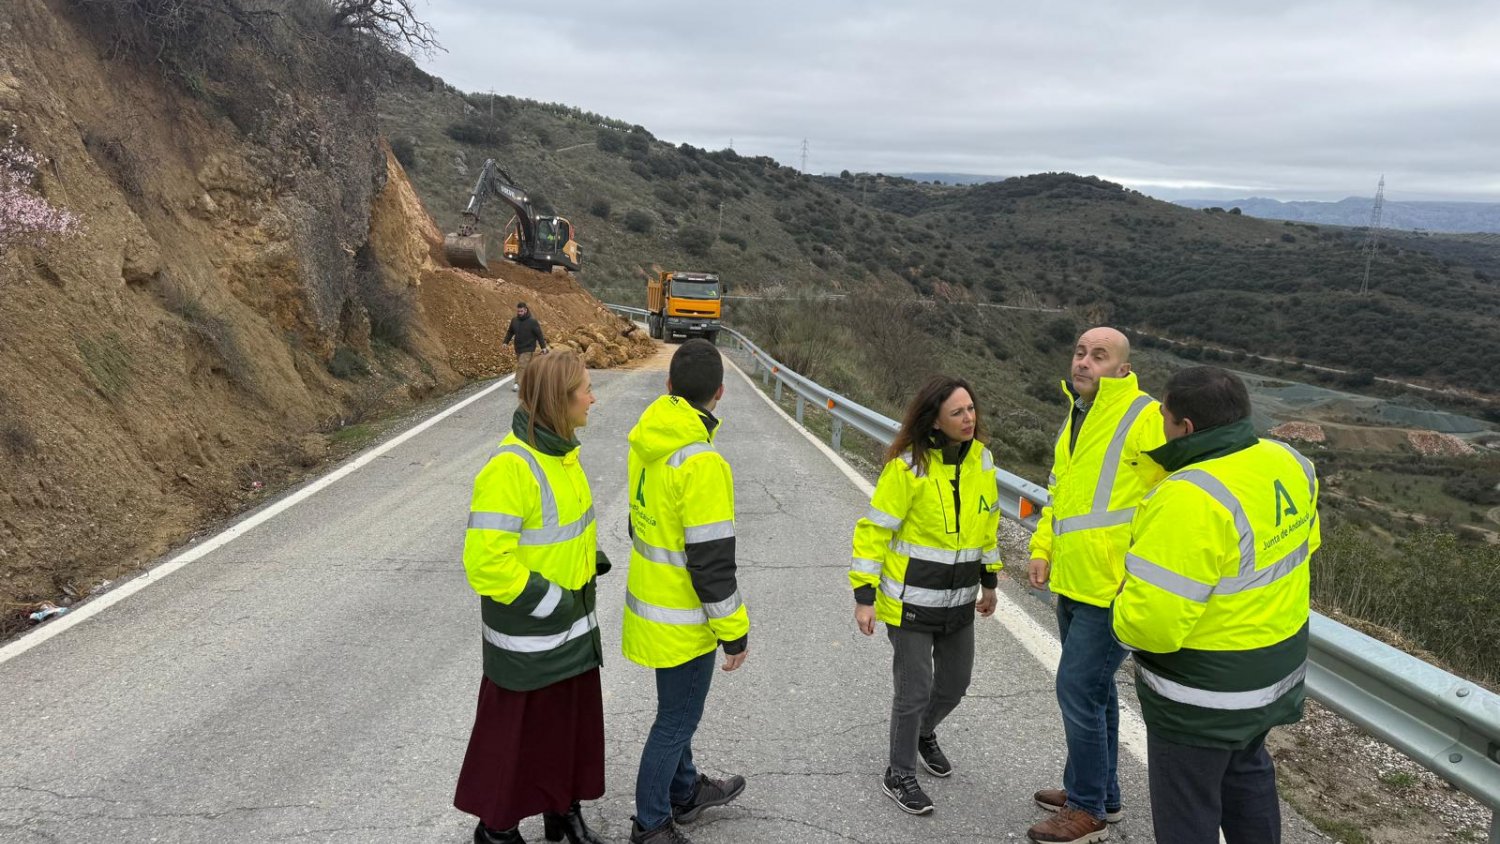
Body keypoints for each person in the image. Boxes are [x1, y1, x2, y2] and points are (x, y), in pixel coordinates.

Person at [1114, 366, 1318, 844]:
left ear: (1185, 427)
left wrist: (1119, 607)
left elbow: (1151, 626)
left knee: (1187, 810)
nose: (1161, 425)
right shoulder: (1290, 461)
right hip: (1272, 675)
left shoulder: (1188, 495)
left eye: (1164, 417)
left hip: (1202, 695)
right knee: (1247, 778)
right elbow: (1303, 549)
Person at [454, 350, 607, 844]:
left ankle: (562, 810)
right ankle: (496, 831)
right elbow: (486, 562)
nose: (592, 398)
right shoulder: (510, 467)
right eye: (585, 389)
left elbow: (558, 531)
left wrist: (590, 559)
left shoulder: (564, 455)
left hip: (573, 630)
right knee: (513, 740)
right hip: (531, 636)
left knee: (566, 729)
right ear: (560, 401)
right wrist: (552, 602)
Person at [1026, 327, 1167, 844]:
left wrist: (1144, 566)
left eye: (1099, 356)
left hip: (1113, 586)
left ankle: (1086, 809)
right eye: (1081, 352)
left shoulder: (1145, 416)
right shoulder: (1077, 416)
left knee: (1077, 688)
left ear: (1123, 369)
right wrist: (1042, 547)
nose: (1084, 362)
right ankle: (1103, 795)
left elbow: (1176, 494)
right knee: (1097, 692)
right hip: (1074, 579)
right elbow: (1060, 493)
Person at [850, 374, 1003, 816]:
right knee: (913, 691)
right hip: (910, 604)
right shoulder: (907, 468)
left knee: (955, 684)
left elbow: (987, 524)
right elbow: (874, 533)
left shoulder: (983, 461)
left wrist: (990, 580)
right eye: (957, 412)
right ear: (935, 421)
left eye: (970, 408)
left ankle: (922, 732)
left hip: (959, 601)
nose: (969, 418)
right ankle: (899, 773)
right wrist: (864, 596)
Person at [622, 339, 751, 844]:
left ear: (669, 385)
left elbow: (638, 525)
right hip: (684, 618)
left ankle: (684, 791)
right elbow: (711, 563)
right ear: (720, 392)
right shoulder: (702, 462)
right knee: (676, 720)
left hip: (653, 607)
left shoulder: (648, 443)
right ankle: (651, 823)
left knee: (677, 711)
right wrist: (734, 631)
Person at [504, 302, 549, 392]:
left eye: (521, 311)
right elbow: (510, 332)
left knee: (521, 365)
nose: (519, 313)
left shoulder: (532, 322)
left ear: (525, 310)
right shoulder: (514, 320)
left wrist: (543, 347)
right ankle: (535, 381)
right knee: (526, 367)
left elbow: (539, 335)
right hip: (518, 348)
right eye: (518, 311)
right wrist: (505, 342)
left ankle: (517, 384)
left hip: (529, 348)